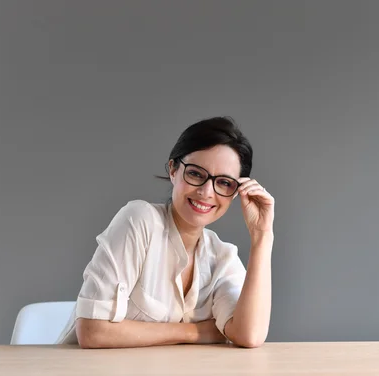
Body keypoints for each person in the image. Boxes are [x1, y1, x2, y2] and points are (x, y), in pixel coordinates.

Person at [56, 116, 274, 348]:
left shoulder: (222, 258)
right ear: (173, 170)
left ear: (235, 192)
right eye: (196, 174)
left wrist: (262, 236)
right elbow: (92, 331)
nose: (206, 192)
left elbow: (249, 335)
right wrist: (195, 332)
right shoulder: (139, 221)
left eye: (223, 183)